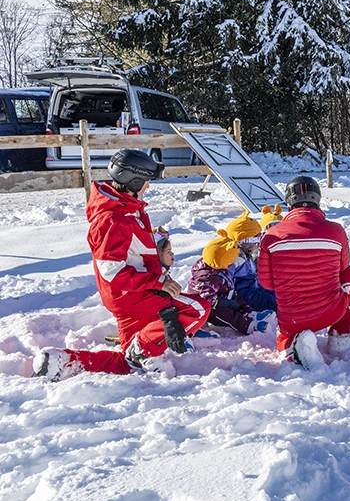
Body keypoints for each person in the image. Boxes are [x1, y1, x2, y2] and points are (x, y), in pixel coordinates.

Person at [32, 150, 210, 380]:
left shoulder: (126, 208)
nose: (148, 186)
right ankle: (144, 349)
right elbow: (112, 270)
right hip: (131, 294)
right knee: (198, 308)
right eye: (147, 181)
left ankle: (61, 362)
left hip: (132, 292)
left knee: (131, 363)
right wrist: (158, 285)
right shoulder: (114, 218)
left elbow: (135, 252)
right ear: (134, 181)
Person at [258, 176, 350, 368]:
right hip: (331, 312)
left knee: (285, 329)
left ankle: (291, 347)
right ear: (317, 200)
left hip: (292, 319)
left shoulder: (271, 236)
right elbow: (343, 267)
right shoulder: (336, 230)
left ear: (288, 203)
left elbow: (266, 284)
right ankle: (340, 338)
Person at [187, 229, 273, 335]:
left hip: (223, 296)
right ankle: (249, 326)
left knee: (239, 301)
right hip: (207, 309)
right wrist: (224, 302)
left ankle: (251, 313)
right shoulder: (208, 278)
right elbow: (207, 299)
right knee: (228, 314)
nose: (229, 266)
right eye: (228, 263)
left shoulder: (219, 269)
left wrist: (231, 299)